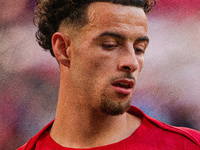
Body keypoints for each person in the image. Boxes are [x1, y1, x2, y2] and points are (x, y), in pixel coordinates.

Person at [18, 0, 200, 149]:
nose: (132, 62)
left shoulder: (186, 146)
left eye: (139, 49)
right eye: (110, 45)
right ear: (64, 49)